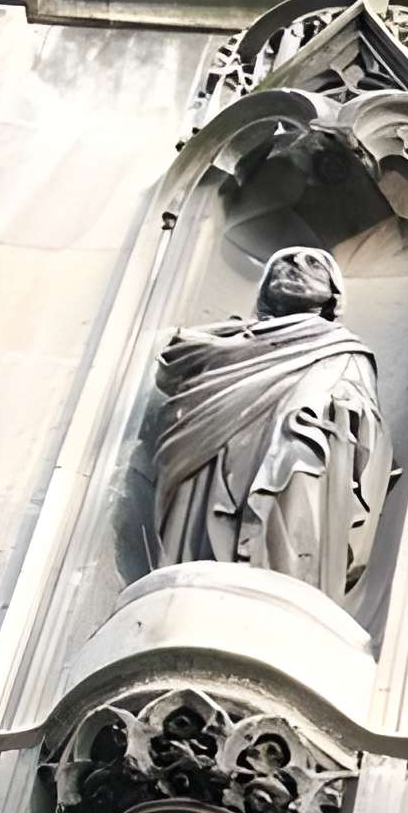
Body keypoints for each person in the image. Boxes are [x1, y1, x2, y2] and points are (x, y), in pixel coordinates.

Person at [150, 246, 394, 599]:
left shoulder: (342, 350)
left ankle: (285, 583)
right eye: (282, 262)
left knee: (298, 460)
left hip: (296, 458)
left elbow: (367, 431)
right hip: (212, 458)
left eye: (313, 263)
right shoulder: (217, 346)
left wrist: (342, 412)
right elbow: (183, 411)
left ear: (332, 295)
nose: (295, 264)